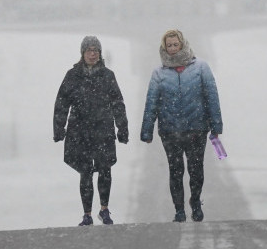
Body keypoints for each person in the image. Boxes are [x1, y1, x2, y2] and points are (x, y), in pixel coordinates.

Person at [140, 28, 223, 223]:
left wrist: (216, 126)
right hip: (170, 131)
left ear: (182, 44)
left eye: (175, 44)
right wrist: (147, 130)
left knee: (196, 170)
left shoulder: (201, 67)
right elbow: (151, 102)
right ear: (164, 47)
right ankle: (179, 210)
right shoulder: (158, 73)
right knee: (175, 171)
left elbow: (212, 97)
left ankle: (195, 202)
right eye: (169, 45)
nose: (173, 49)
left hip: (196, 129)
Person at [53, 35, 129, 226]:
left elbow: (117, 103)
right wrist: (58, 128)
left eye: (96, 50)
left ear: (100, 53)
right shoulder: (72, 75)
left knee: (105, 169)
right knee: (85, 172)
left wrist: (122, 128)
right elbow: (62, 102)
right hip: (79, 131)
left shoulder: (108, 76)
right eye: (89, 50)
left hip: (103, 128)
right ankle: (87, 214)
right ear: (83, 53)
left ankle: (104, 210)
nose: (93, 54)